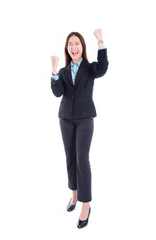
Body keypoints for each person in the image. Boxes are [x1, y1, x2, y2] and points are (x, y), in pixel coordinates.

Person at [51, 28, 109, 229]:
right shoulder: (65, 71)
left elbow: (103, 67)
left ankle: (86, 204)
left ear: (82, 47)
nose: (73, 47)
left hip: (85, 119)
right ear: (67, 49)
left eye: (76, 43)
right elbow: (57, 93)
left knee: (82, 160)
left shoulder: (90, 68)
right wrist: (54, 70)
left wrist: (100, 40)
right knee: (70, 157)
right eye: (70, 44)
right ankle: (74, 194)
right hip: (65, 118)